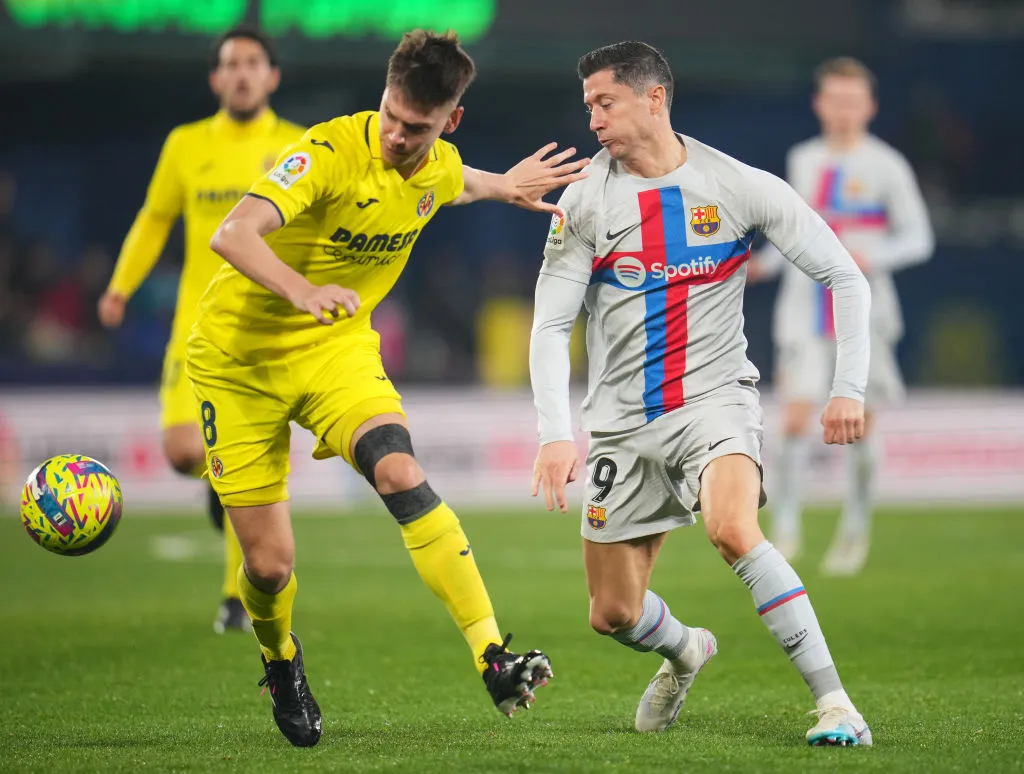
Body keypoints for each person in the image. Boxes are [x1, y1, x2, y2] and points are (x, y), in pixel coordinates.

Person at [187, 29, 589, 747]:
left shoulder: (436, 165)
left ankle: (493, 656)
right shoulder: (328, 151)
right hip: (236, 361)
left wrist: (503, 184)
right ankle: (279, 659)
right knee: (270, 567)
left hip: (335, 351)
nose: (400, 138)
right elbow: (234, 232)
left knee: (402, 471)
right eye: (394, 119)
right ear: (383, 96)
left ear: (450, 123)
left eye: (420, 129)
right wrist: (302, 288)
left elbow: (452, 181)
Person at [529, 41, 874, 746]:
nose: (592, 118)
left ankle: (836, 704)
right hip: (621, 427)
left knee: (733, 530)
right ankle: (686, 650)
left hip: (713, 403)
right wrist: (554, 431)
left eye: (605, 101)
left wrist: (848, 388)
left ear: (654, 98)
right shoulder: (586, 202)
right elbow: (551, 324)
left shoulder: (738, 185)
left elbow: (847, 277)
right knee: (613, 614)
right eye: (588, 104)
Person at [97, 25, 305, 632]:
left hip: (262, 329)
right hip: (196, 325)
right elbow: (153, 218)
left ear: (272, 76)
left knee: (245, 467)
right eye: (230, 64)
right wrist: (120, 285)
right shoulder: (186, 145)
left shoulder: (298, 147)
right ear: (216, 79)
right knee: (188, 451)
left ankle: (234, 599)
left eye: (253, 63)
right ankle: (219, 484)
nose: (241, 73)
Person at [747, 57, 934, 575]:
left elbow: (919, 237)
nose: (844, 111)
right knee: (791, 421)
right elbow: (793, 231)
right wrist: (757, 266)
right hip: (803, 308)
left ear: (869, 106)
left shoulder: (887, 165)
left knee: (862, 428)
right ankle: (786, 529)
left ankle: (855, 532)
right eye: (835, 100)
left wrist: (874, 259)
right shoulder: (803, 158)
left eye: (853, 101)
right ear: (819, 104)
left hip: (866, 311)